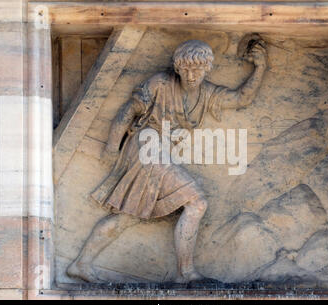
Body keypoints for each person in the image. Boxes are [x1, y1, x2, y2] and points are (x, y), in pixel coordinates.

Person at [67, 39, 267, 283]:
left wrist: (260, 68)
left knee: (128, 215)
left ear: (207, 69)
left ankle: (81, 263)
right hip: (145, 146)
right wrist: (111, 146)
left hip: (160, 153)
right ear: (178, 68)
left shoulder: (207, 93)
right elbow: (129, 111)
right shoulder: (161, 82)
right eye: (186, 70)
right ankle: (186, 273)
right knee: (197, 202)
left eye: (197, 70)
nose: (191, 76)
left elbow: (240, 98)